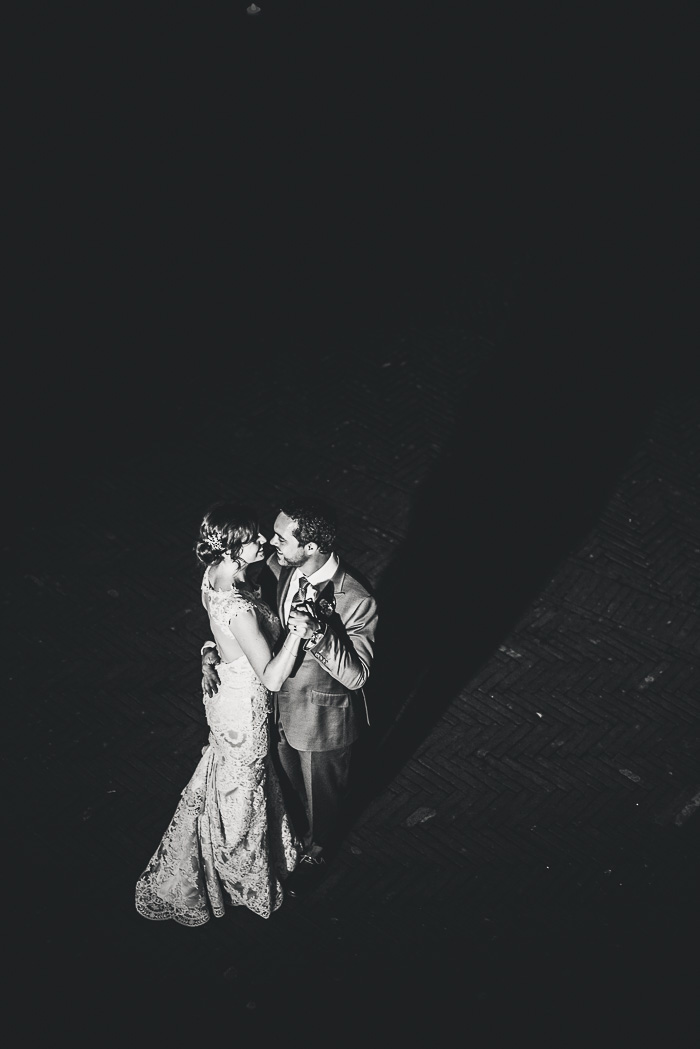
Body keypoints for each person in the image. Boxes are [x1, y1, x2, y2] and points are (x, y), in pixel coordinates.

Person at [135, 504, 303, 925]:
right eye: (253, 539)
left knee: (231, 782)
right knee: (242, 791)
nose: (263, 541)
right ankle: (237, 873)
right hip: (243, 712)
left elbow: (219, 635)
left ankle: (240, 850)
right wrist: (298, 632)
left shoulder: (214, 575)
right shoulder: (239, 607)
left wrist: (209, 653)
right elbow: (271, 677)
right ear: (231, 550)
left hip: (225, 694)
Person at [202, 498, 378, 895]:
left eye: (281, 537)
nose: (270, 542)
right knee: (291, 789)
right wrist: (211, 652)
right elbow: (236, 616)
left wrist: (318, 634)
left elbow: (358, 676)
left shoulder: (355, 597)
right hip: (272, 711)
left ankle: (318, 849)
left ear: (311, 546)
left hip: (321, 721)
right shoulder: (281, 568)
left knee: (323, 800)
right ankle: (294, 835)